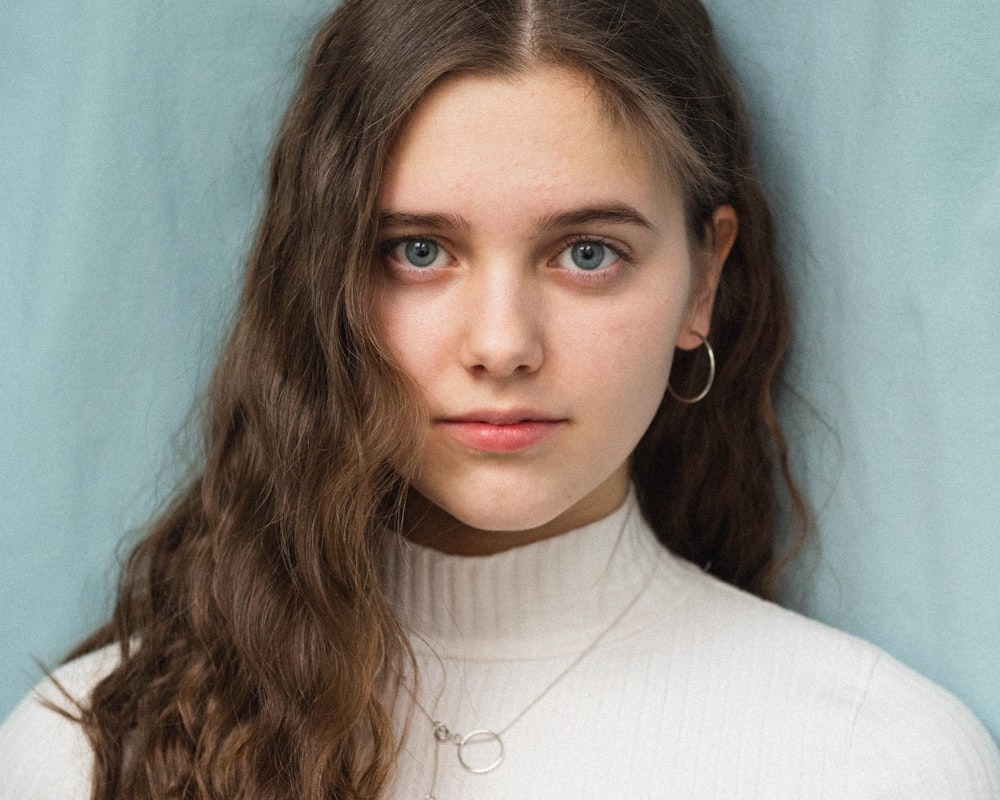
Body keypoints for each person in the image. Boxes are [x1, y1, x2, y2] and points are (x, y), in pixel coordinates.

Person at [1, 0, 998, 798]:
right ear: (324, 279)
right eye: (418, 251)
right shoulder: (92, 749)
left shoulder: (871, 759)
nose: (501, 344)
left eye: (586, 253)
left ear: (701, 282)